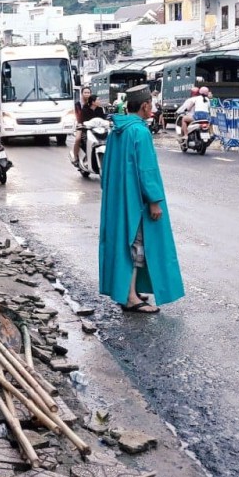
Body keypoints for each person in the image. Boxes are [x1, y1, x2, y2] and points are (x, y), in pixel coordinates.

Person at [98, 85, 183, 314]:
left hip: (120, 197)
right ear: (145, 106)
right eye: (151, 105)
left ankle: (130, 289)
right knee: (137, 245)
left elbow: (106, 168)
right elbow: (146, 169)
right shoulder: (140, 132)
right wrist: (154, 200)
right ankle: (130, 298)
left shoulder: (118, 130)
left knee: (124, 242)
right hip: (136, 199)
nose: (152, 108)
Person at [71, 86, 93, 167]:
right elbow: (78, 115)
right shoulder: (78, 104)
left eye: (88, 93)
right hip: (81, 125)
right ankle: (75, 157)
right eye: (85, 93)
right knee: (78, 139)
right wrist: (81, 124)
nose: (87, 94)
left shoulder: (93, 103)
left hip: (91, 125)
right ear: (82, 94)